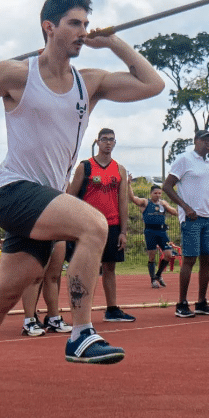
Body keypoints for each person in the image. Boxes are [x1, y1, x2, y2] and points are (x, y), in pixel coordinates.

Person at [0, 0, 165, 407]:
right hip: (13, 190)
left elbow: (153, 84)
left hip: (45, 200)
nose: (82, 31)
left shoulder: (89, 83)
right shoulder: (17, 75)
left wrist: (113, 43)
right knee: (93, 224)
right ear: (48, 27)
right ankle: (80, 333)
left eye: (87, 25)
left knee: (3, 296)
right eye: (75, 23)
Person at [65, 128, 135, 322]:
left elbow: (123, 201)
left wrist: (123, 231)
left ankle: (112, 309)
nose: (108, 143)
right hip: (88, 225)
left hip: (111, 224)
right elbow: (71, 198)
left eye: (111, 140)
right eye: (104, 139)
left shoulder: (119, 169)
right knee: (87, 268)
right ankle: (83, 312)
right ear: (97, 142)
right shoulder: (85, 166)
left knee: (109, 267)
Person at [163, 129, 209, 318]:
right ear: (196, 141)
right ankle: (181, 303)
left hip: (208, 218)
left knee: (207, 259)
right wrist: (185, 207)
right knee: (189, 259)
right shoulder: (184, 159)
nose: (208, 143)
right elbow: (167, 186)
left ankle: (201, 302)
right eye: (205, 140)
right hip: (192, 218)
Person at [130, 184, 175, 288]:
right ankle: (153, 280)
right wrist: (128, 184)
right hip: (150, 232)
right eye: (155, 193)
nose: (157, 195)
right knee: (152, 256)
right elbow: (132, 198)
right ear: (151, 193)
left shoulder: (163, 203)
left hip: (162, 232)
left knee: (169, 254)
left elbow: (173, 211)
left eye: (159, 193)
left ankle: (158, 275)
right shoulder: (145, 202)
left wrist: (183, 212)